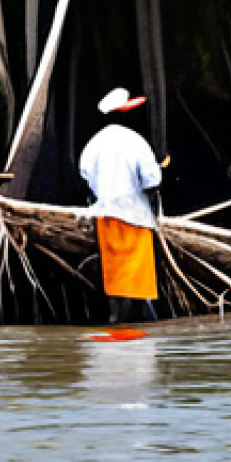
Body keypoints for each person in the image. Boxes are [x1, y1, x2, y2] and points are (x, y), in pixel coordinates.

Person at [80, 87, 163, 323]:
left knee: (115, 277)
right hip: (135, 218)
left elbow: (85, 174)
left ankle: (116, 320)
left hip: (105, 217)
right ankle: (136, 326)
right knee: (138, 283)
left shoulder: (94, 143)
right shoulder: (135, 142)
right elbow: (152, 180)